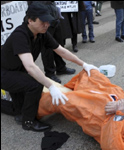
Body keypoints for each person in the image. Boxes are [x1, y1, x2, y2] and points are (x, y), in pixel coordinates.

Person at [1, 2, 99, 132]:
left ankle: (19, 113)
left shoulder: (42, 33)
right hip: (5, 72)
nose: (47, 24)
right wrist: (51, 86)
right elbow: (30, 66)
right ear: (30, 20)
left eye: (48, 21)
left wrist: (84, 64)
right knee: (34, 84)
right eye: (43, 21)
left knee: (18, 109)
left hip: (16, 70)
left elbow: (61, 50)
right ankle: (28, 122)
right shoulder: (20, 35)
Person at [28, 1, 75, 84]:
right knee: (47, 49)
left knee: (59, 45)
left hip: (54, 19)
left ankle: (61, 67)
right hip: (45, 21)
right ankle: (50, 72)